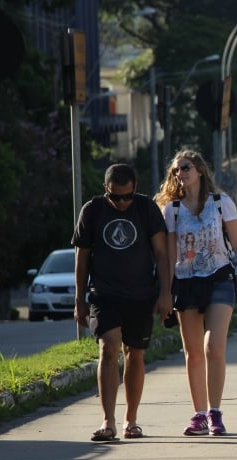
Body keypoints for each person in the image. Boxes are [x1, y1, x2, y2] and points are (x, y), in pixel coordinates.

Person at [154, 149, 237, 436]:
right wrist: (166, 292)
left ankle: (215, 412)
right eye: (176, 170)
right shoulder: (172, 210)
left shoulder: (221, 203)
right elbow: (170, 255)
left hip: (219, 278)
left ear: (199, 170)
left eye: (185, 167)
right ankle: (199, 414)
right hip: (186, 282)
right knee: (192, 352)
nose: (180, 173)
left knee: (213, 347)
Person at [72, 163, 173, 442]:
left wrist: (166, 293)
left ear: (135, 189)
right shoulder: (92, 211)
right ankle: (108, 421)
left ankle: (131, 420)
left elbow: (162, 254)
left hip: (141, 294)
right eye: (115, 197)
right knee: (108, 348)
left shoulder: (146, 209)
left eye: (127, 196)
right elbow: (82, 258)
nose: (122, 203)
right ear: (106, 189)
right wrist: (79, 299)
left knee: (135, 353)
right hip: (104, 294)